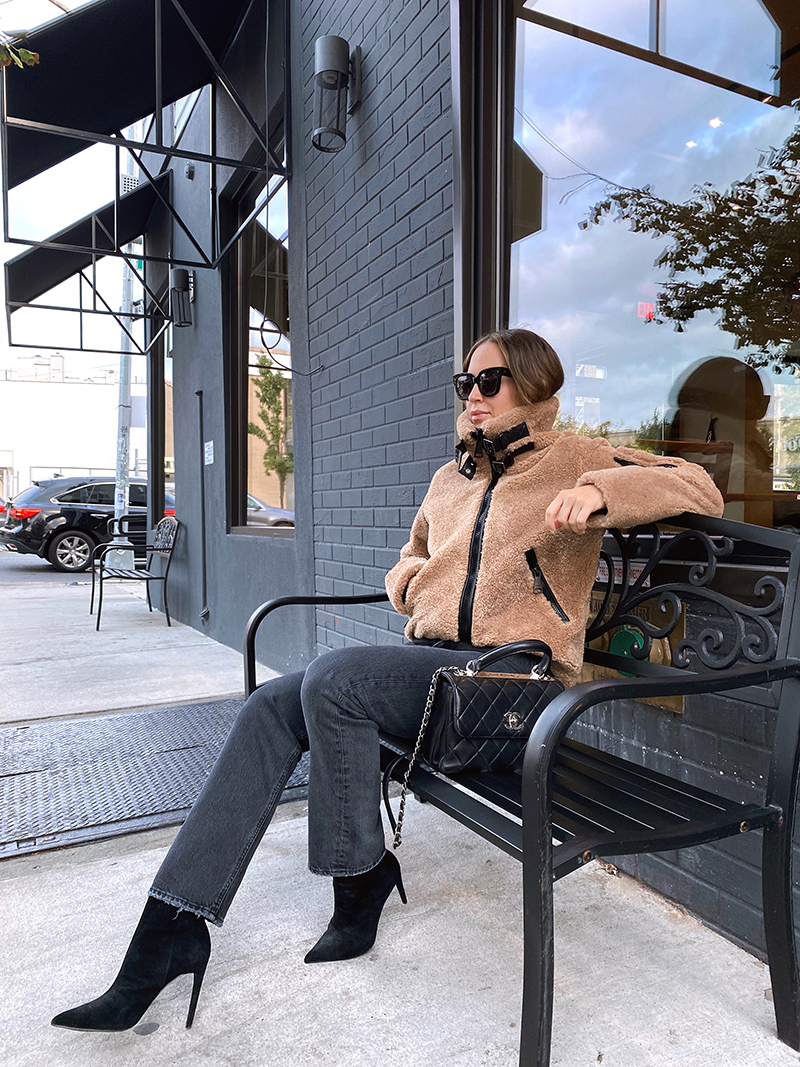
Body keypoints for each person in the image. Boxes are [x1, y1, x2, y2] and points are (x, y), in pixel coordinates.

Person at [51, 329, 723, 1033]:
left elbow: (695, 484)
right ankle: (167, 934)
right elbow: (413, 555)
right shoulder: (451, 477)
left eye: (488, 381)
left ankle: (360, 877)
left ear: (532, 383)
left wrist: (598, 493)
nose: (473, 396)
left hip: (513, 689)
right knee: (272, 706)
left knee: (333, 680)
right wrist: (410, 582)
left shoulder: (574, 457)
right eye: (465, 383)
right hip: (442, 673)